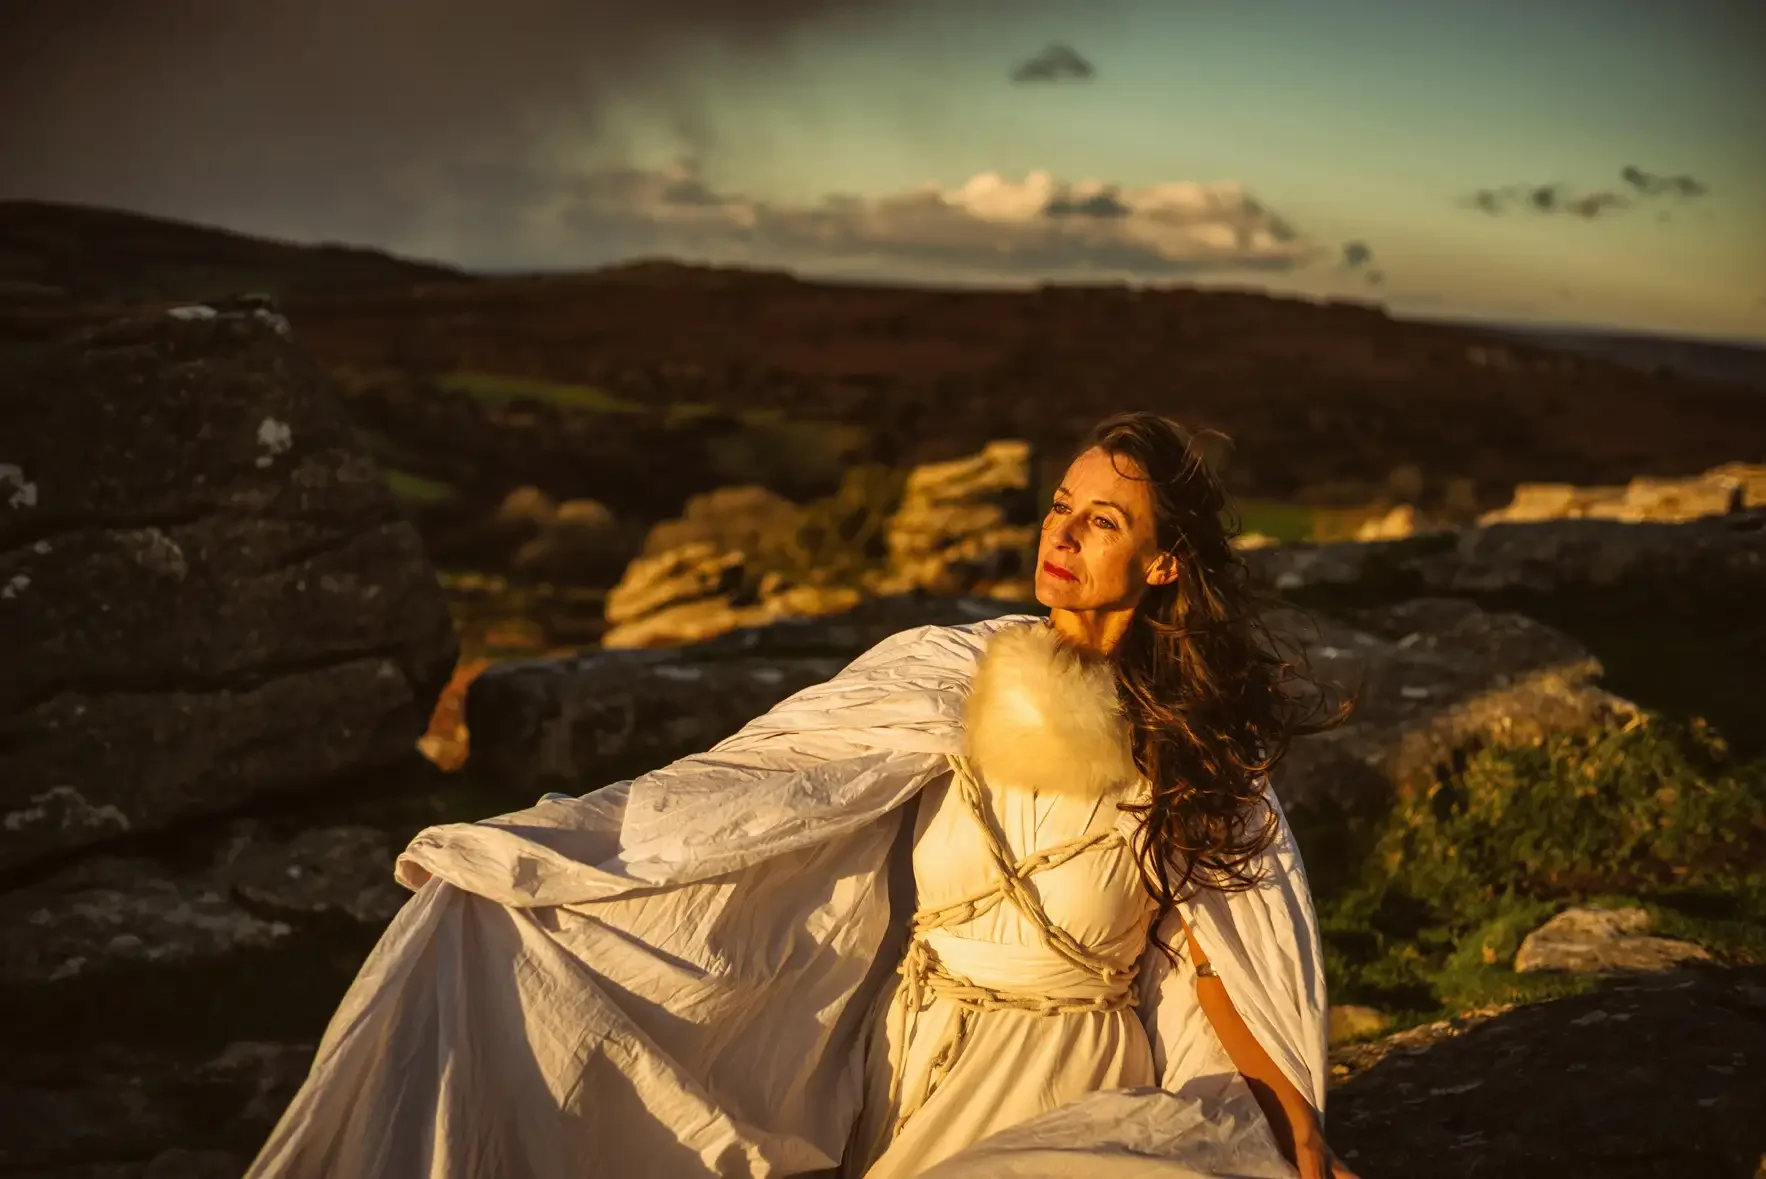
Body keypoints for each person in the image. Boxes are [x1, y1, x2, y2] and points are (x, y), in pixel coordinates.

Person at [247, 412, 1356, 1179]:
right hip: (906, 1063)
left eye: (1101, 521)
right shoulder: (942, 675)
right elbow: (743, 801)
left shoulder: (1194, 752)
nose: (1058, 535)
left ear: (1164, 564)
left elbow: (1218, 957)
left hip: (1060, 1075)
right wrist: (548, 859)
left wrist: (1289, 1128)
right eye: (1058, 506)